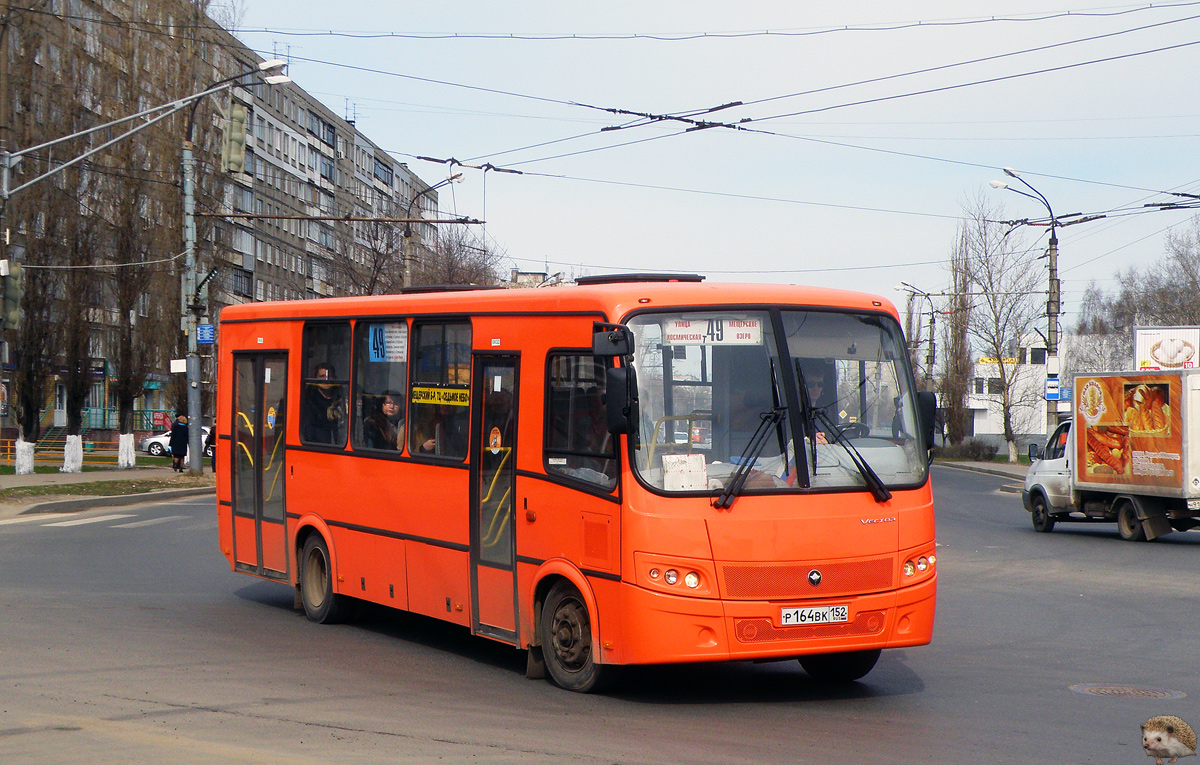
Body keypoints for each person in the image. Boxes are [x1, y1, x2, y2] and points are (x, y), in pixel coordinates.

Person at [302, 363, 344, 444]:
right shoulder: (309, 401)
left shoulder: (341, 397)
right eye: (322, 376)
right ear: (315, 379)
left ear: (334, 378)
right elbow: (308, 432)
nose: (326, 380)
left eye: (329, 376)